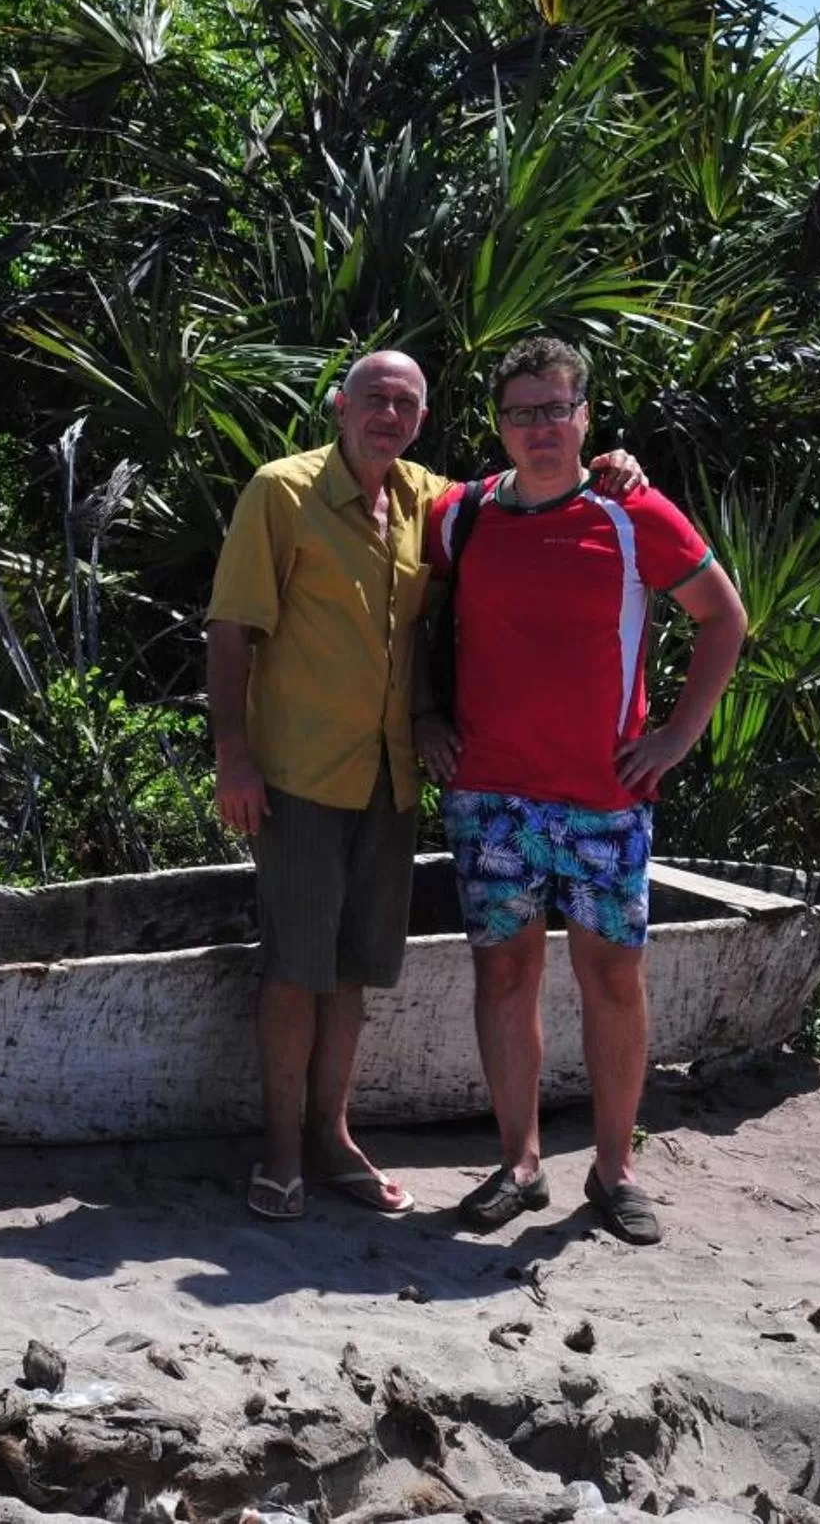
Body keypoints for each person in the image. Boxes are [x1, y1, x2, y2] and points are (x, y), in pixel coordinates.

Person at [206, 349, 643, 1223]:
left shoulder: (431, 502)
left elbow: (531, 477)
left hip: (391, 779)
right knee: (295, 968)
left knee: (353, 972)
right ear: (339, 406)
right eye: (374, 398)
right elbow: (230, 631)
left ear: (423, 419)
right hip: (298, 770)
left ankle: (333, 1141)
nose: (388, 415)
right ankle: (283, 1152)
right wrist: (234, 757)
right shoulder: (281, 492)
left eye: (405, 404)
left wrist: (615, 467)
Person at [413, 336, 745, 1244]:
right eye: (522, 412)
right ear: (499, 424)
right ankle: (519, 1163)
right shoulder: (463, 516)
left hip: (603, 796)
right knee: (506, 972)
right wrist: (423, 715)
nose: (541, 428)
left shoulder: (635, 512)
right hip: (489, 794)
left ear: (586, 416)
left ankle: (613, 1169)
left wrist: (677, 735)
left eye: (557, 409)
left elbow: (724, 618)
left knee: (612, 979)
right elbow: (409, 614)